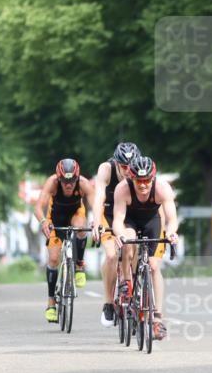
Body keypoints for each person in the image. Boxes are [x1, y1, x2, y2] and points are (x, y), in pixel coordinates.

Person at [112, 155, 179, 340]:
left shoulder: (162, 188)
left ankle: (157, 319)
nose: (142, 185)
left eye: (146, 180)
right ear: (131, 178)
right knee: (129, 240)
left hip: (152, 222)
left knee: (154, 266)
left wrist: (172, 233)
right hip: (130, 221)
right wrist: (121, 235)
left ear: (153, 178)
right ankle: (126, 282)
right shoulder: (122, 189)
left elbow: (172, 219)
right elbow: (118, 221)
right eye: (138, 181)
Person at [34, 158, 97, 323]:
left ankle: (79, 264)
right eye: (65, 181)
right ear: (59, 178)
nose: (68, 185)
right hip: (55, 218)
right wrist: (43, 222)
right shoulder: (52, 183)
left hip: (76, 213)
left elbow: (97, 205)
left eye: (72, 180)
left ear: (77, 178)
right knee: (54, 259)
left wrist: (96, 222)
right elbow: (38, 207)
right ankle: (51, 303)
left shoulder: (83, 184)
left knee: (81, 228)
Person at [91, 141, 141, 327]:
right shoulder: (106, 169)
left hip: (128, 216)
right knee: (112, 255)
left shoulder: (140, 171)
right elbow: (99, 197)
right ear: (116, 162)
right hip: (108, 215)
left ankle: (135, 289)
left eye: (131, 166)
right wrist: (96, 223)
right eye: (124, 166)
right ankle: (108, 303)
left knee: (131, 248)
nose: (128, 170)